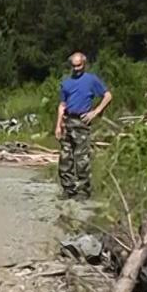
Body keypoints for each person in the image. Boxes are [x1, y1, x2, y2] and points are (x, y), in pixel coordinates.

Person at [54, 52, 112, 199]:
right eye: (74, 66)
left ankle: (83, 190)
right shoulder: (66, 82)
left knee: (81, 158)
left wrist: (96, 112)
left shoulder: (91, 80)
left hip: (82, 122)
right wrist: (58, 125)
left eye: (79, 65)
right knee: (65, 158)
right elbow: (62, 104)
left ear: (84, 64)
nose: (77, 69)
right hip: (68, 121)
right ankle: (68, 189)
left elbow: (107, 95)